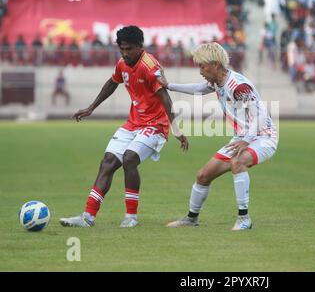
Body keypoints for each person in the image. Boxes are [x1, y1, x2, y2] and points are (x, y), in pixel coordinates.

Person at [60, 26, 188, 228]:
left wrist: (176, 129)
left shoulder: (149, 65)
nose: (125, 54)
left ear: (140, 46)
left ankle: (131, 217)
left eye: (129, 49)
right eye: (122, 49)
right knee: (108, 162)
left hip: (155, 125)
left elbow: (165, 97)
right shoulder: (122, 63)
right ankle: (87, 217)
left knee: (129, 159)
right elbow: (112, 83)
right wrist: (91, 108)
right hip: (133, 123)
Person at [157, 42, 278, 231]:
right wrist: (170, 86)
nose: (200, 71)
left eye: (202, 66)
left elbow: (261, 115)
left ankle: (244, 219)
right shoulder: (217, 81)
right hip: (242, 138)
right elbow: (199, 89)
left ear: (215, 64)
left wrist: (246, 140)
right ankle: (191, 219)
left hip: (263, 137)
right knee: (203, 176)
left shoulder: (239, 86)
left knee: (237, 162)